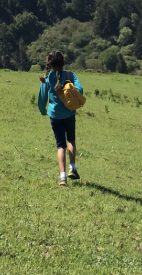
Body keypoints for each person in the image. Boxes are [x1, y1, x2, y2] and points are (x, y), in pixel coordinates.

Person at [37, 51, 84, 186]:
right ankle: (72, 168)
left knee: (60, 145)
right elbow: (80, 91)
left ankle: (62, 177)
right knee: (71, 140)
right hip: (69, 113)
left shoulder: (47, 78)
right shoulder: (70, 75)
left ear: (50, 64)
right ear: (63, 63)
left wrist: (43, 111)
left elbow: (41, 99)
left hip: (55, 115)